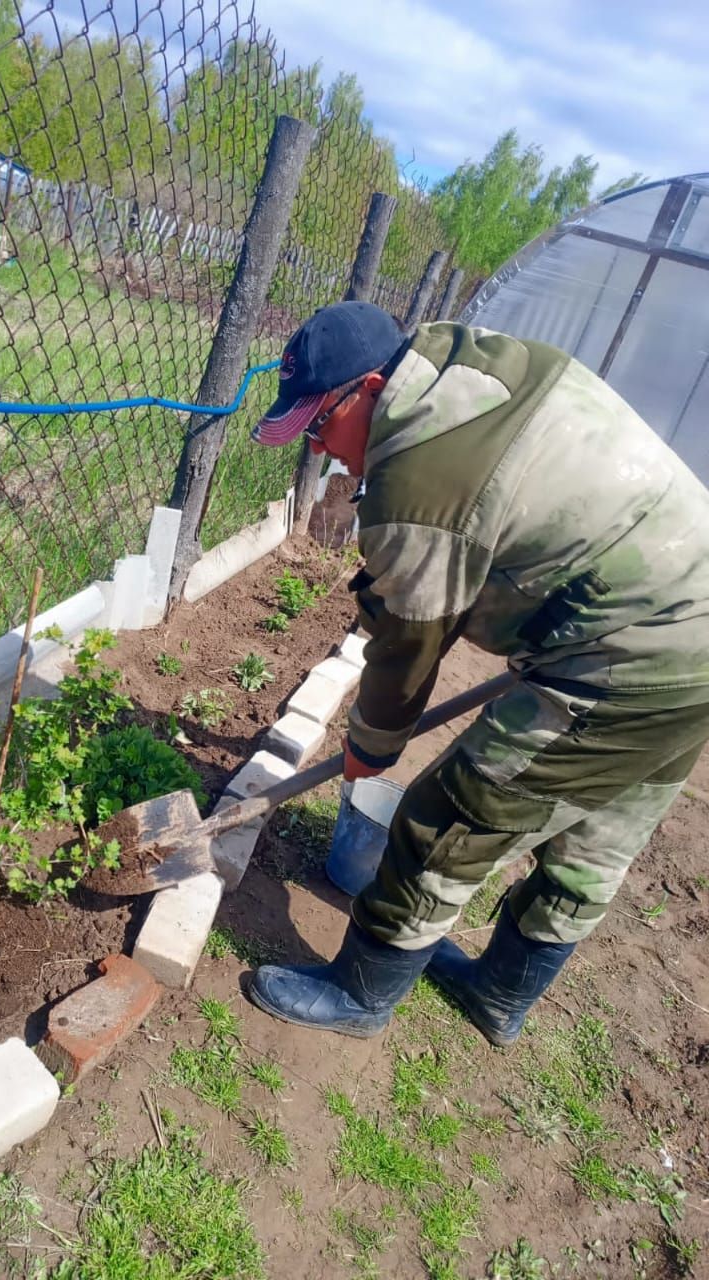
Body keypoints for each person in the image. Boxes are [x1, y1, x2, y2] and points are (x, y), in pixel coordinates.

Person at [246, 301, 709, 1043]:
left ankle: (362, 995)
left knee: (451, 817)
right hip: (692, 621)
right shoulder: (453, 363)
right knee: (597, 832)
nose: (323, 449)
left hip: (631, 654)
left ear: (369, 387)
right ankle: (499, 994)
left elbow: (409, 647)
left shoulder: (421, 480)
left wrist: (372, 749)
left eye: (321, 423)